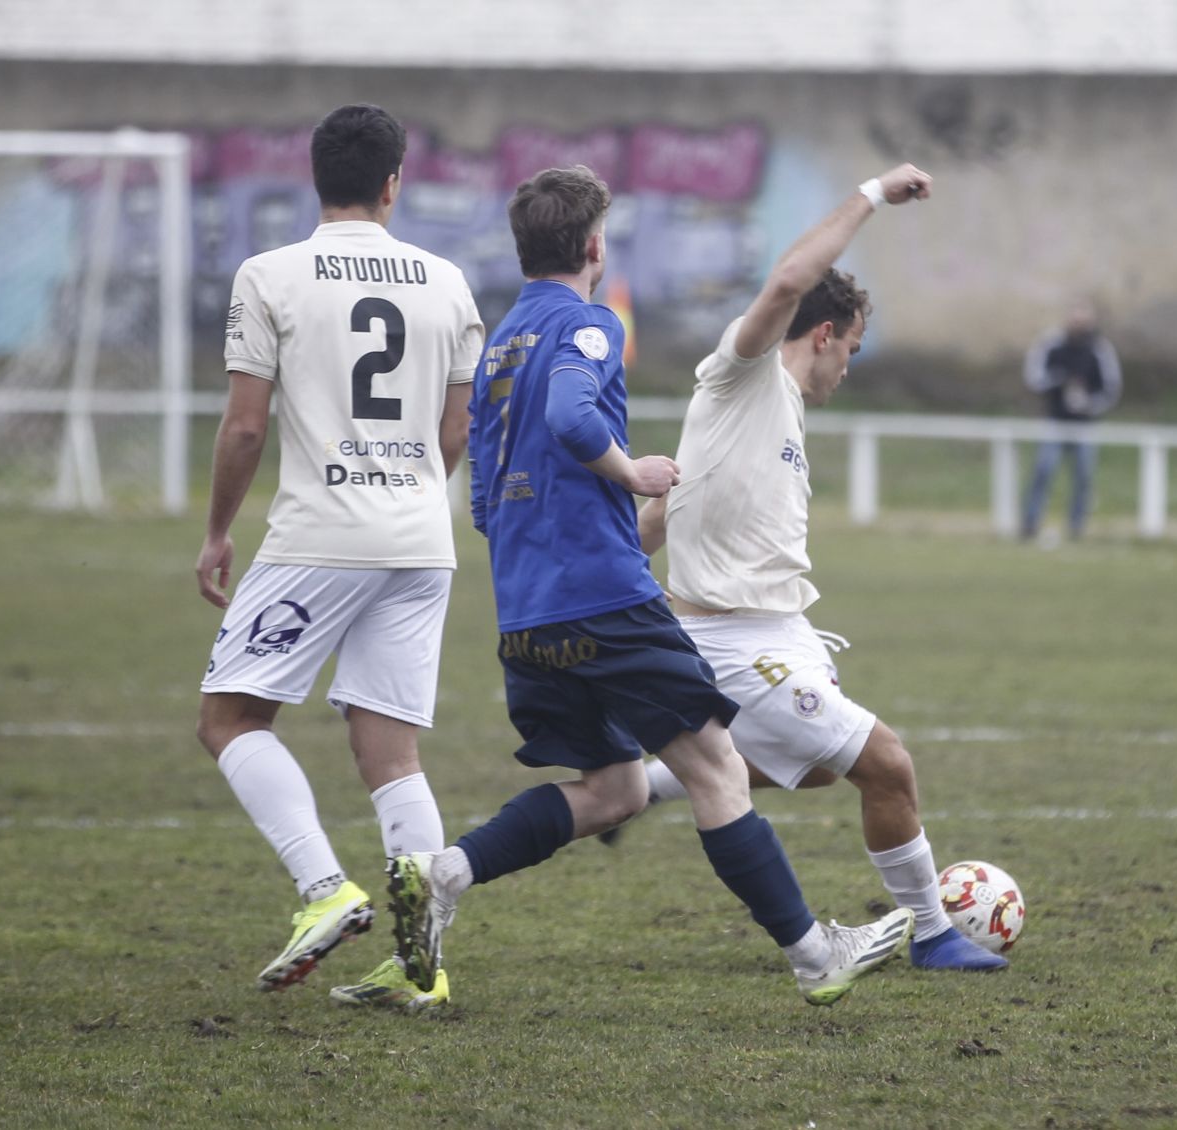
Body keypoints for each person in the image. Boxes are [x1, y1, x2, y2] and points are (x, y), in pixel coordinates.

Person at [386, 165, 915, 1009]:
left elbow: (483, 493)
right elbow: (569, 415)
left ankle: (446, 873)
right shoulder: (588, 326)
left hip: (526, 609)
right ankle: (817, 954)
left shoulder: (498, 346)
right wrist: (630, 471)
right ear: (595, 245)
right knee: (716, 771)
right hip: (604, 598)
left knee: (617, 790)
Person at [619, 163, 1008, 972]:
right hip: (735, 637)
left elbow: (673, 506)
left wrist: (619, 561)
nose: (848, 369)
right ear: (822, 333)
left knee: (826, 773)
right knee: (887, 764)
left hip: (774, 629)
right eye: (852, 350)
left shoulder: (772, 413)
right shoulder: (749, 370)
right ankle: (934, 934)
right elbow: (790, 280)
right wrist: (872, 193)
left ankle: (645, 785)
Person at [192, 104, 483, 1010]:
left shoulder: (270, 274)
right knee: (392, 754)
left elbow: (245, 426)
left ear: (314, 178)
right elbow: (455, 428)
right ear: (394, 182)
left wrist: (216, 531)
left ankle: (325, 891)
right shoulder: (446, 282)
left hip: (320, 533)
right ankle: (423, 966)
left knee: (230, 718)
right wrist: (406, 500)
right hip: (420, 540)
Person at [1019, 299, 1122, 541]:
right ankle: (1030, 523)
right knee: (1044, 471)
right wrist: (1059, 381)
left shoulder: (1100, 349)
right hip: (1055, 421)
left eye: (1084, 321)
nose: (1079, 325)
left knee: (1083, 477)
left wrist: (1089, 404)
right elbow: (1034, 377)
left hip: (1085, 425)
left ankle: (1076, 527)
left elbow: (1111, 388)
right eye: (1075, 320)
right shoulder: (1051, 344)